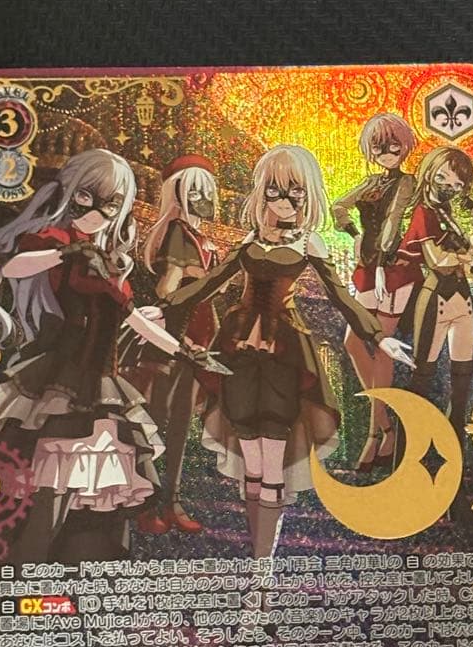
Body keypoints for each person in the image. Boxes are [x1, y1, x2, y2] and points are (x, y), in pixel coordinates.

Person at [157, 143, 413, 557]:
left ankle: (264, 570)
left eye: (295, 191)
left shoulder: (310, 244)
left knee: (272, 460)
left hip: (283, 354)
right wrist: (163, 307)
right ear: (263, 193)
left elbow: (341, 297)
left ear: (307, 193)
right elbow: (207, 285)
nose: (284, 201)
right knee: (252, 461)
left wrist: (378, 336)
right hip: (239, 353)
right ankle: (259, 563)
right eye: (274, 191)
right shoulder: (249, 241)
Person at [0, 148, 211, 562]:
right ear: (70, 192)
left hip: (102, 385)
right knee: (53, 484)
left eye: (110, 204)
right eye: (86, 197)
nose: (97, 212)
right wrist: (63, 254)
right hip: (60, 378)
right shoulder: (59, 241)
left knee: (91, 489)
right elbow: (14, 267)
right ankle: (28, 565)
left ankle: (69, 566)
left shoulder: (113, 264)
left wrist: (183, 350)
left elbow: (134, 318)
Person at [394, 145, 473, 520]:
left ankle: (453, 490)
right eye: (442, 178)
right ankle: (406, 481)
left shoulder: (449, 215)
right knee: (420, 387)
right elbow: (438, 261)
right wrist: (470, 259)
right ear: (429, 174)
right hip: (434, 300)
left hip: (462, 303)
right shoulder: (423, 212)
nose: (448, 186)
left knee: (460, 393)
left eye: (456, 183)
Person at [127, 154, 221, 534]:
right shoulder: (180, 233)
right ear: (178, 195)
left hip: (198, 339)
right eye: (194, 192)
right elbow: (167, 288)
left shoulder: (201, 237)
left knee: (178, 422)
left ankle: (169, 501)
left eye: (207, 191)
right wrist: (182, 336)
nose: (204, 198)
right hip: (179, 338)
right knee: (162, 421)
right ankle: (151, 503)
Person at [331, 113, 416, 470]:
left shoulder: (407, 182)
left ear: (405, 146)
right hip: (368, 266)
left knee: (383, 348)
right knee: (354, 342)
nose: (388, 153)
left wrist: (381, 262)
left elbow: (394, 220)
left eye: (394, 146)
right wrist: (354, 234)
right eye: (380, 148)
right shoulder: (370, 182)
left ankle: (374, 436)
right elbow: (338, 205)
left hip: (394, 267)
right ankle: (386, 427)